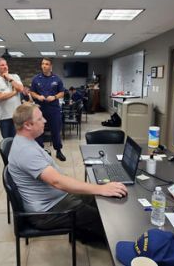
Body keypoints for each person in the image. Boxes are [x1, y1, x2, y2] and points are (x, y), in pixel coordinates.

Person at [8, 103, 127, 241]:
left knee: (100, 199)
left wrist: (99, 190)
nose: (45, 121)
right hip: (47, 212)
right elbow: (57, 181)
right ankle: (117, 242)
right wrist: (100, 188)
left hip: (54, 199)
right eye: (40, 119)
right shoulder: (25, 151)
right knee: (104, 219)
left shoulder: (26, 141)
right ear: (28, 125)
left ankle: (85, 233)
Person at [30, 58, 66, 161]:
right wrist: (37, 97)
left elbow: (62, 93)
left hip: (53, 109)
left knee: (55, 131)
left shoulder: (57, 79)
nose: (44, 66)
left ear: (51, 66)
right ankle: (40, 152)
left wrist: (54, 97)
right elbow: (32, 92)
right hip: (40, 109)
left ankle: (58, 151)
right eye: (42, 64)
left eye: (46, 64)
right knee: (39, 131)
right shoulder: (36, 79)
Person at [0, 57, 24, 138]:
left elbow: (21, 89)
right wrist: (14, 92)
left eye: (6, 65)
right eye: (2, 65)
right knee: (7, 141)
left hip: (16, 116)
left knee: (18, 140)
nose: (5, 67)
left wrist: (10, 79)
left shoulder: (15, 76)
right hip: (3, 117)